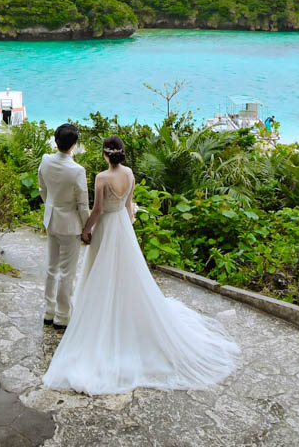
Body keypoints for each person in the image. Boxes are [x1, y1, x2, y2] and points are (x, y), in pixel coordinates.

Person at [42, 135, 240, 395]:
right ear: (121, 153)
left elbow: (98, 210)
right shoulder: (130, 174)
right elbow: (128, 206)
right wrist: (127, 228)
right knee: (127, 272)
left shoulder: (101, 178)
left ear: (105, 154)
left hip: (106, 227)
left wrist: (87, 229)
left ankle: (99, 311)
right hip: (123, 227)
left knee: (101, 271)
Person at [37, 122, 88, 330]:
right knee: (67, 272)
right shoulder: (77, 171)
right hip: (70, 225)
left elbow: (42, 188)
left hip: (51, 219)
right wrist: (87, 228)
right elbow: (82, 204)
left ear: (56, 140)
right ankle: (62, 315)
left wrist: (50, 204)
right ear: (74, 144)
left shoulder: (45, 160)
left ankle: (48, 311)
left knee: (51, 267)